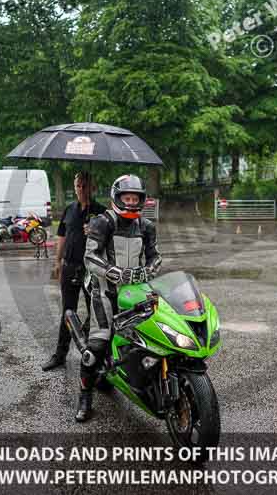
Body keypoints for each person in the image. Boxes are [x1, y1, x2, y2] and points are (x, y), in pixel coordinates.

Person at [77, 174, 162, 422]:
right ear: (116, 197)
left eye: (136, 198)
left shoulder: (146, 226)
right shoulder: (102, 222)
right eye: (127, 197)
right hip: (104, 290)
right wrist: (114, 272)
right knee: (97, 346)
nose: (132, 202)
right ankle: (84, 396)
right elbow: (90, 257)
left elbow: (155, 257)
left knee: (149, 339)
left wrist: (149, 271)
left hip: (135, 292)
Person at [41, 171, 107, 371]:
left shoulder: (102, 212)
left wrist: (95, 232)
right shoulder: (69, 210)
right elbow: (61, 237)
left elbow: (110, 242)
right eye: (78, 186)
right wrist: (57, 262)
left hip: (92, 268)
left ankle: (94, 354)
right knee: (67, 312)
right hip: (70, 266)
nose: (81, 190)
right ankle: (60, 355)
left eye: (85, 186)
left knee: (95, 314)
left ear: (92, 188)